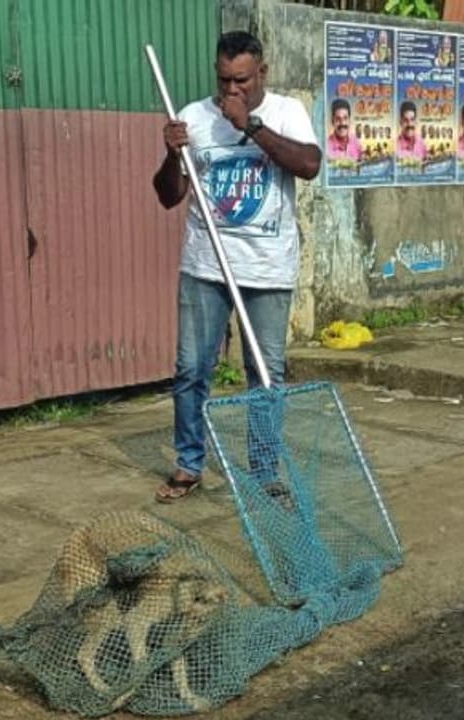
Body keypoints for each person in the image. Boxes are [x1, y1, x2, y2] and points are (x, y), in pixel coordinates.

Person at [152, 31, 321, 502]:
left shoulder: (287, 112)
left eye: (242, 80)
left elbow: (309, 165)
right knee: (191, 369)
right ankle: (189, 464)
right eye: (224, 80)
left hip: (267, 269)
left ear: (261, 73)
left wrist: (251, 126)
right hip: (205, 266)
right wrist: (171, 155)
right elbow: (168, 196)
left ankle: (264, 471)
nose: (232, 91)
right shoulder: (192, 116)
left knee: (266, 373)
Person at [326, 99, 361, 163]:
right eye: (338, 119)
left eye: (345, 118)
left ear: (349, 120)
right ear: (332, 121)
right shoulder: (326, 147)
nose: (342, 123)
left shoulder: (356, 142)